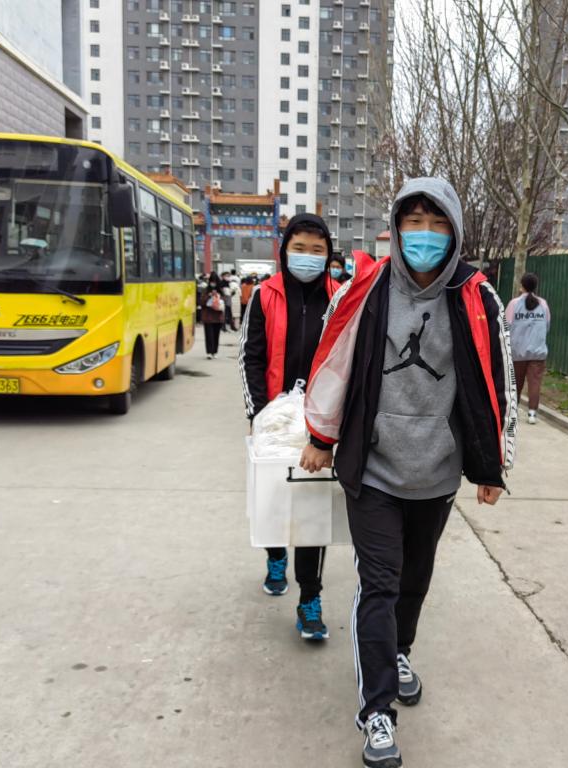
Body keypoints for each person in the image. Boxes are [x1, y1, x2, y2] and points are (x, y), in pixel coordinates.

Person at [299, 178, 516, 768]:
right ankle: (377, 712)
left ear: (456, 231)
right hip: (373, 468)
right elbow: (335, 359)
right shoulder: (367, 287)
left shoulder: (476, 295)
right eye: (413, 221)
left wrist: (492, 463)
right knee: (380, 584)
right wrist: (321, 436)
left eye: (437, 222)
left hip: (437, 470)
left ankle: (400, 650)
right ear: (396, 227)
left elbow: (497, 381)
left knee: (415, 578)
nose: (425, 234)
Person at [239, 213, 341, 641]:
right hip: (274, 419)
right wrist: (260, 416)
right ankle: (275, 554)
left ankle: (310, 599)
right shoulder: (265, 295)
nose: (308, 256)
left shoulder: (341, 296)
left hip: (319, 421)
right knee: (273, 500)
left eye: (318, 250)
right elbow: (251, 357)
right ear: (284, 251)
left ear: (329, 254)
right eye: (299, 248)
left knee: (312, 510)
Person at [506, 272, 550, 425]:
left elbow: (506, 325)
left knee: (515, 383)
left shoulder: (514, 304)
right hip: (538, 351)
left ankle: (514, 412)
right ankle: (532, 414)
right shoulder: (543, 304)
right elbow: (547, 325)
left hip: (517, 351)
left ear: (522, 286)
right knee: (535, 383)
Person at [201, 273, 226, 358]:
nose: (213, 284)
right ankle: (209, 352)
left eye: (215, 282)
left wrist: (218, 298)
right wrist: (209, 296)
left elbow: (224, 300)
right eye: (212, 282)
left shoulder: (220, 290)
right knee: (209, 335)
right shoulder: (206, 290)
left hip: (218, 317)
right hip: (208, 317)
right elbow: (201, 302)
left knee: (216, 335)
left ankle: (214, 352)